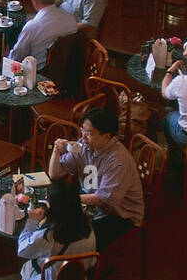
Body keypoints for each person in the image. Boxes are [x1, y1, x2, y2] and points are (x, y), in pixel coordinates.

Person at [48, 106, 145, 249]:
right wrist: (56, 151)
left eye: (89, 133)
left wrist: (69, 199)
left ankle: (87, 268)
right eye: (82, 130)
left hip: (120, 215)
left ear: (107, 135)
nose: (82, 137)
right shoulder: (84, 145)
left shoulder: (117, 161)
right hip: (92, 205)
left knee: (75, 240)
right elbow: (55, 174)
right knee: (57, 225)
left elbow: (102, 199)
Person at [18, 179, 98, 280]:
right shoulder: (89, 231)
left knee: (27, 267)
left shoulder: (48, 236)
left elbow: (22, 250)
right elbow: (91, 263)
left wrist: (31, 222)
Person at [10, 0, 78, 71]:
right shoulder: (71, 19)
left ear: (34, 0)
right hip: (67, 72)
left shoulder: (32, 27)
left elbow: (16, 57)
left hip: (39, 75)